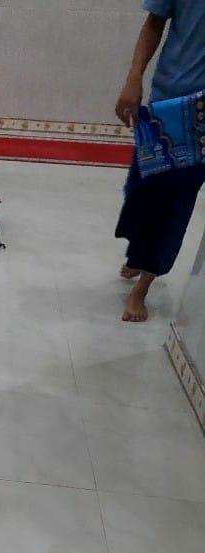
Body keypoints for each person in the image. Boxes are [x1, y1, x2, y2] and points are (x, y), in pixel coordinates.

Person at [115, 0, 205, 322]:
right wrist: (134, 78)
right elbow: (154, 23)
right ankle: (139, 253)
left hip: (202, 119)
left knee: (175, 203)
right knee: (140, 190)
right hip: (167, 100)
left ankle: (143, 286)